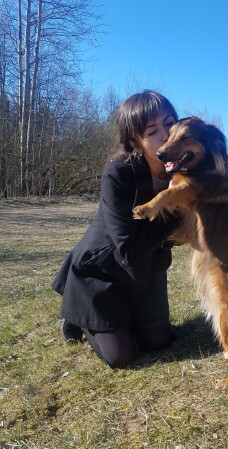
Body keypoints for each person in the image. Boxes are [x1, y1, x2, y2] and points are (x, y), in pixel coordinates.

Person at [52, 90, 179, 368]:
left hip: (146, 271)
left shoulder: (180, 169)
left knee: (158, 341)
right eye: (153, 130)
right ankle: (79, 318)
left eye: (170, 123)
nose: (167, 135)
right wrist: (172, 205)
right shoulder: (118, 172)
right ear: (135, 141)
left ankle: (126, 320)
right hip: (103, 269)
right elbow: (129, 250)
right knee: (122, 356)